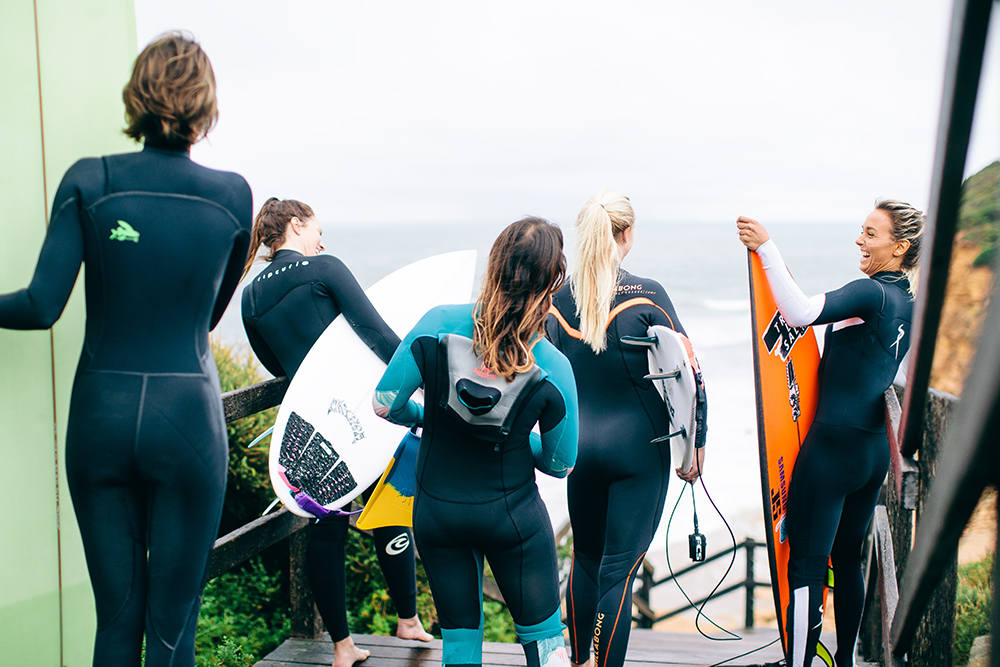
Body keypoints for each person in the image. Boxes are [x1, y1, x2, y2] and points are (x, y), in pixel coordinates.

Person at [0, 33, 252, 666]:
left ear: (137, 94)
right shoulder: (232, 197)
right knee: (171, 631)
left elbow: (38, 306)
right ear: (205, 104)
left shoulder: (91, 180)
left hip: (100, 419)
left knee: (115, 622)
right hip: (187, 423)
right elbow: (209, 315)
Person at [373, 217, 578, 667]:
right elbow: (563, 463)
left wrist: (430, 416)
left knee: (460, 645)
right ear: (552, 283)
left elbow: (385, 404)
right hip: (513, 519)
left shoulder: (436, 324)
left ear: (495, 264)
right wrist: (515, 440)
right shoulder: (554, 366)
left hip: (437, 513)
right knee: (545, 642)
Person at [240, 198, 432, 667]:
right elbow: (375, 331)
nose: (321, 240)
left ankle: (343, 648)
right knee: (390, 502)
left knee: (327, 526)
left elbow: (275, 366)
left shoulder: (249, 298)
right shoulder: (322, 267)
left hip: (312, 425)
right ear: (296, 225)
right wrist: (420, 379)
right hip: (360, 413)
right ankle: (407, 618)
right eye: (316, 229)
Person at [736, 200, 924, 667]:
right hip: (871, 452)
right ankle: (844, 663)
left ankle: (798, 663)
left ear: (900, 248)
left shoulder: (872, 293)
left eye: (872, 234)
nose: (860, 240)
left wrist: (767, 250)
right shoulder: (908, 303)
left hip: (832, 451)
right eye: (861, 230)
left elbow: (799, 313)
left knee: (806, 563)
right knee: (848, 559)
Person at [545, 190, 707, 667]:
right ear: (627, 234)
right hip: (639, 449)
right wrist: (697, 445)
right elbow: (691, 374)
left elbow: (538, 373)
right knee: (619, 571)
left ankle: (579, 661)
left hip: (580, 449)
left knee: (586, 562)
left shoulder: (556, 299)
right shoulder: (648, 294)